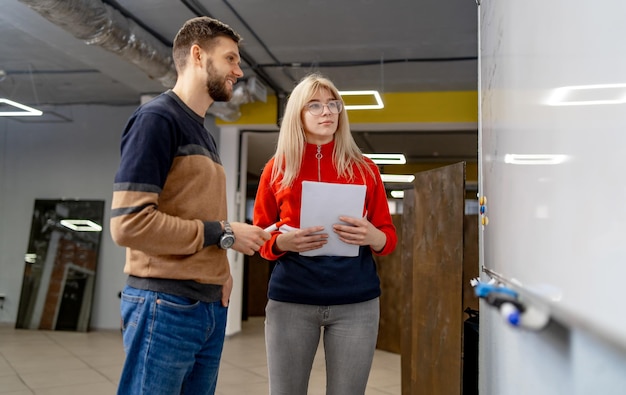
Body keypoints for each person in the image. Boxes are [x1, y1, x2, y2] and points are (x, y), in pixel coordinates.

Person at [110, 16, 270, 395]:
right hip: (165, 305)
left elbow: (197, 214)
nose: (239, 70)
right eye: (230, 59)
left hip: (206, 307)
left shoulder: (202, 130)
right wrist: (226, 232)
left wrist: (222, 272)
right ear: (198, 55)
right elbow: (129, 224)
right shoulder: (156, 120)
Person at [253, 73, 398, 395]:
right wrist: (281, 242)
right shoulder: (277, 168)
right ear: (298, 115)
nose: (328, 112)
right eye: (315, 106)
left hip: (356, 302)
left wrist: (372, 236)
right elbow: (260, 238)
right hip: (292, 299)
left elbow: (388, 238)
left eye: (333, 105)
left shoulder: (365, 168)